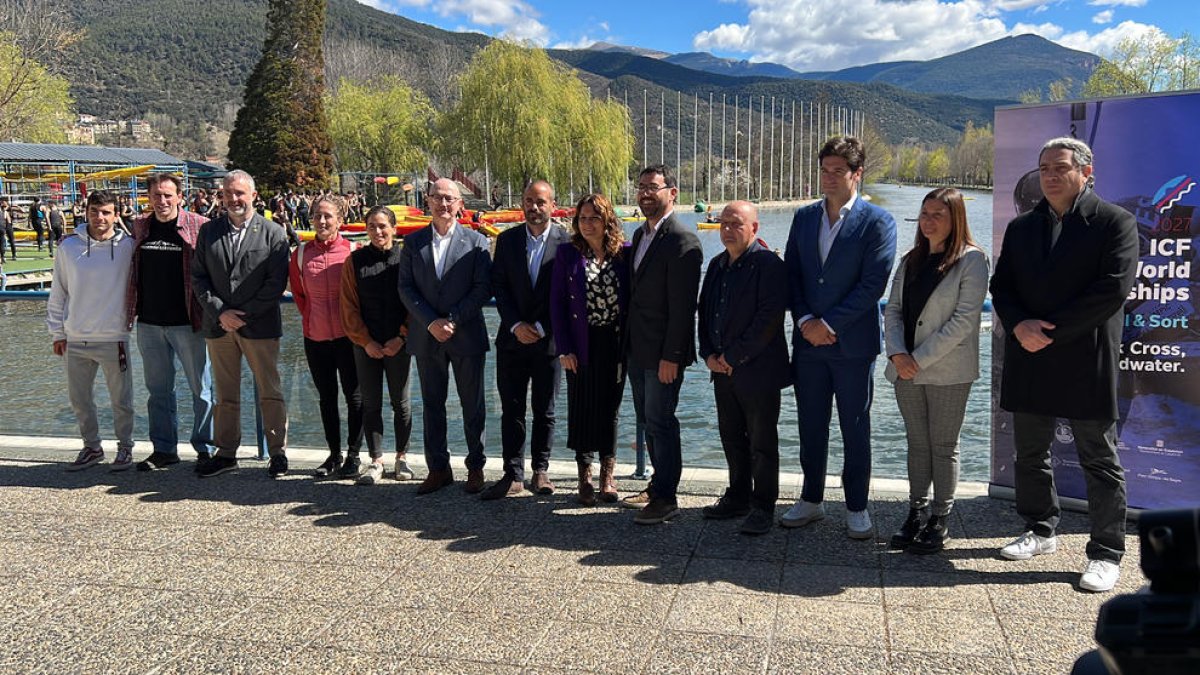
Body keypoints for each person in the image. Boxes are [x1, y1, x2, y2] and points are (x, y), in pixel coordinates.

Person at [990, 137, 1138, 592]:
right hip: (1029, 355)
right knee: (1031, 452)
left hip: (1084, 356)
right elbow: (1003, 287)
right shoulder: (1022, 228)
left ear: (1086, 172)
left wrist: (1045, 332)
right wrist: (1018, 326)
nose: (1050, 176)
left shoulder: (1115, 223)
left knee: (1100, 458)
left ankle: (1106, 552)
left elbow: (1110, 291)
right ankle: (1039, 528)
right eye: (1044, 169)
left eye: (1060, 167)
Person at [781, 135, 897, 538]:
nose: (829, 178)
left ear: (857, 174)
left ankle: (856, 506)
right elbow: (792, 274)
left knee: (855, 426)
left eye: (838, 171)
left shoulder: (878, 222)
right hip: (808, 344)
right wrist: (806, 319)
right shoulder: (804, 217)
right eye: (824, 170)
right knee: (811, 425)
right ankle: (811, 499)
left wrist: (828, 324)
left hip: (852, 346)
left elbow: (872, 285)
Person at [883, 188, 989, 553]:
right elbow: (893, 310)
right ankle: (916, 510)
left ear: (956, 218)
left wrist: (918, 359)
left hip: (948, 372)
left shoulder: (973, 261)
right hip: (904, 370)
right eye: (924, 214)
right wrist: (898, 354)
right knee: (917, 444)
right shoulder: (910, 259)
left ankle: (940, 518)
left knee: (943, 446)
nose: (928, 221)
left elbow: (963, 321)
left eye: (937, 215)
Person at [698, 201, 791, 535]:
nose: (727, 230)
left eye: (736, 224)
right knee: (731, 437)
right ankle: (737, 495)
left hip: (758, 371)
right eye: (723, 223)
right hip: (722, 370)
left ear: (755, 228)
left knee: (762, 443)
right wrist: (708, 353)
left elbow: (768, 320)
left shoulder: (769, 265)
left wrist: (733, 357)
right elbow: (705, 313)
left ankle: (763, 506)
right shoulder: (717, 265)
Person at [191, 170, 291, 479]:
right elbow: (198, 277)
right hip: (219, 327)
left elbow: (275, 284)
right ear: (221, 196)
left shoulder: (273, 233)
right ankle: (226, 452)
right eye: (228, 193)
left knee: (270, 391)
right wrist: (221, 313)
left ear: (253, 195)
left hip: (259, 327)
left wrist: (241, 315)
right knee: (225, 394)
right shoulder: (209, 232)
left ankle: (277, 452)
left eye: (240, 193)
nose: (234, 199)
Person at [397, 178, 492, 494]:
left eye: (450, 198)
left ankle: (476, 467)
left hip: (465, 334)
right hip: (427, 337)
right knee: (432, 404)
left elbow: (482, 289)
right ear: (428, 200)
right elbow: (406, 288)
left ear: (460, 204)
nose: (444, 203)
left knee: (473, 405)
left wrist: (450, 319)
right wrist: (430, 322)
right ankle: (438, 468)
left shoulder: (477, 242)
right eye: (437, 197)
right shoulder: (413, 244)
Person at [621, 164, 703, 524]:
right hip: (638, 350)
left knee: (661, 421)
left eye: (653, 187)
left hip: (664, 354)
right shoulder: (640, 236)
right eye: (641, 187)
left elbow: (683, 309)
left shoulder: (683, 241)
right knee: (646, 419)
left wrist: (672, 356)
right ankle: (656, 484)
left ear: (673, 193)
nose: (645, 194)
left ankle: (667, 497)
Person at [480, 180, 569, 501]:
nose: (534, 207)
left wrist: (544, 327)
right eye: (529, 201)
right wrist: (516, 324)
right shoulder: (506, 241)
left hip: (549, 343)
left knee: (546, 410)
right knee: (512, 409)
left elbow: (569, 295)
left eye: (541, 202)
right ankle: (513, 473)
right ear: (522, 203)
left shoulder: (567, 243)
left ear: (552, 204)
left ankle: (541, 471)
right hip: (512, 341)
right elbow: (499, 287)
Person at [125, 173, 216, 471]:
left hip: (187, 321)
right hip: (149, 322)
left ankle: (206, 448)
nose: (162, 201)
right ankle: (164, 449)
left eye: (167, 195)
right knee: (158, 391)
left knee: (201, 389)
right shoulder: (141, 226)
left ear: (179, 196)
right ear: (149, 198)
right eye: (156, 196)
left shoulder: (199, 226)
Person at [46, 191, 137, 471]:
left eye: (107, 212)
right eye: (95, 211)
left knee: (122, 401)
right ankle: (92, 447)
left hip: (114, 338)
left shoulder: (129, 247)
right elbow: (58, 291)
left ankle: (125, 448)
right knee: (80, 400)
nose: (100, 217)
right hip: (75, 338)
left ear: (116, 215)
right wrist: (58, 332)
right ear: (86, 212)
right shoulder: (68, 247)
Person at [550, 193, 631, 505]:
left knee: (610, 409)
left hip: (614, 343)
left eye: (594, 218)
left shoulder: (624, 253)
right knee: (582, 408)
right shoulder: (567, 255)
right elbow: (557, 305)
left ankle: (607, 477)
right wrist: (564, 348)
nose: (587, 224)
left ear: (607, 220)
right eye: (582, 218)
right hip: (580, 344)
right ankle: (584, 477)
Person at [289, 195, 366, 481]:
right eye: (318, 216)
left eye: (328, 216)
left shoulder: (353, 252)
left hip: (348, 338)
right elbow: (298, 294)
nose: (322, 221)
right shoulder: (300, 254)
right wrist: (311, 318)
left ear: (340, 220)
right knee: (327, 398)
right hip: (316, 337)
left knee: (355, 397)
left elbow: (361, 296)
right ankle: (334, 455)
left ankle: (354, 454)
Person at [341, 206, 415, 485]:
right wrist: (365, 341)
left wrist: (402, 336)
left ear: (394, 229)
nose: (378, 231)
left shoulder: (406, 259)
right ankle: (376, 460)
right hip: (366, 344)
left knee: (402, 404)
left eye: (383, 226)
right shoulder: (355, 261)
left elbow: (414, 302)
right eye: (372, 226)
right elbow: (348, 307)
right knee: (371, 403)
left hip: (399, 342)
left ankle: (402, 457)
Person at [0, 196, 14, 261]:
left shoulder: (9, 208)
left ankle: (14, 255)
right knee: (2, 242)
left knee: (11, 241)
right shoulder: (4, 211)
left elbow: (9, 221)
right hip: (3, 227)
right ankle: (2, 256)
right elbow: (8, 220)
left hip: (7, 227)